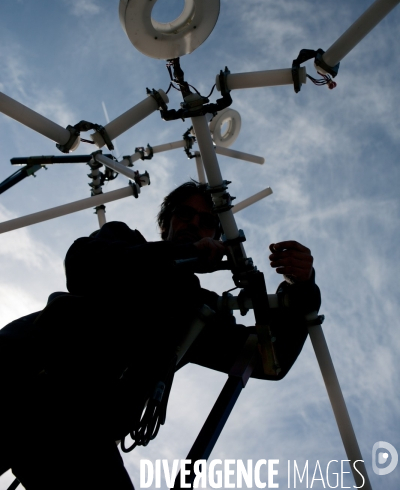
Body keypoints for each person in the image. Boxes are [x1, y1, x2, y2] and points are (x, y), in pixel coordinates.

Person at [0, 181, 320, 490]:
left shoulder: (198, 312)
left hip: (80, 432)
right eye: (184, 213)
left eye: (206, 221)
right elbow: (83, 266)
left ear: (216, 237)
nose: (194, 223)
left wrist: (301, 289)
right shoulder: (123, 241)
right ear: (166, 221)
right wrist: (177, 254)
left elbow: (269, 360)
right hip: (16, 374)